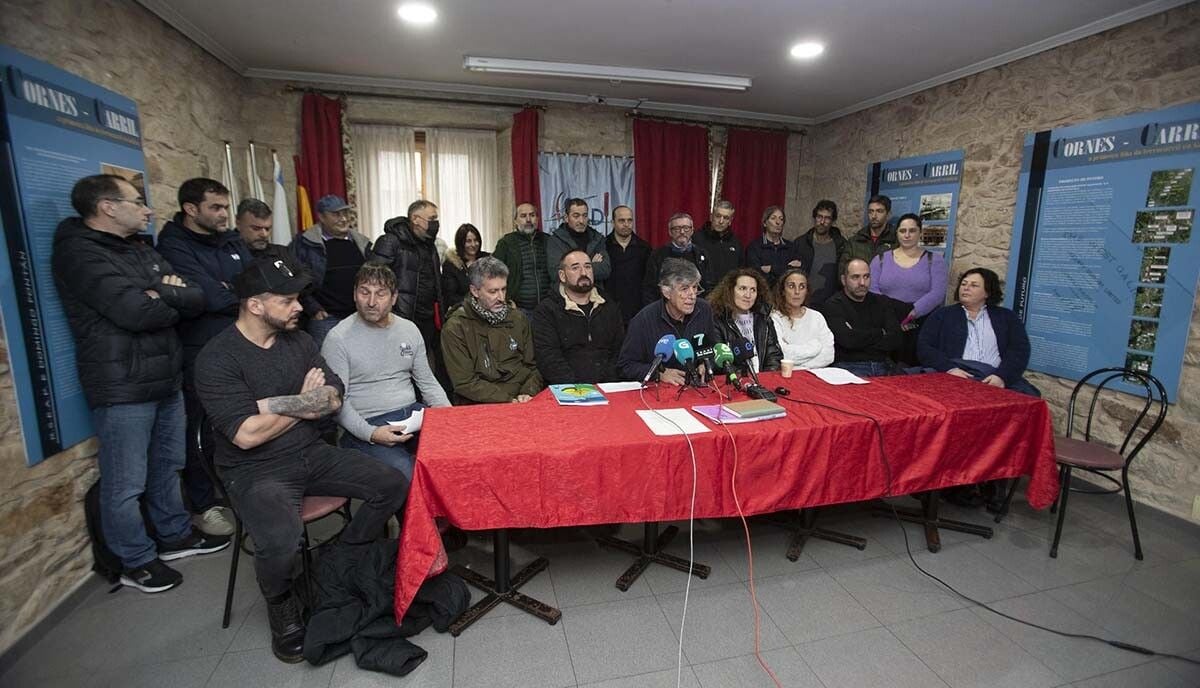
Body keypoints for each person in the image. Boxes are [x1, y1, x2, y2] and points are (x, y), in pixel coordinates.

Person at [194, 256, 407, 663]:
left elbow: (332, 396)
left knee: (392, 484)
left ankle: (340, 556)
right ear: (255, 305)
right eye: (288, 300)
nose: (299, 307)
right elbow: (246, 434)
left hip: (312, 453)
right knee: (281, 541)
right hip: (254, 470)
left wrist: (271, 405)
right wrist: (302, 406)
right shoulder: (217, 359)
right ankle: (281, 604)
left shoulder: (301, 340)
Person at [52, 174, 228, 595]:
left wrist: (158, 295)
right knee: (126, 480)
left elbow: (195, 297)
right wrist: (161, 296)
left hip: (166, 376)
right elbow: (134, 312)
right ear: (107, 207)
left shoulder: (138, 248)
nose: (148, 209)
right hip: (122, 385)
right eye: (137, 201)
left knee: (168, 465)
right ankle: (136, 559)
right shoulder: (79, 253)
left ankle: (174, 536)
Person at [155, 177, 245, 537]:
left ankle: (241, 489)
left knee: (241, 421)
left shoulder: (231, 239)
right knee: (201, 428)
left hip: (240, 343)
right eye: (216, 208)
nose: (225, 214)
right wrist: (230, 292)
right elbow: (206, 297)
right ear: (191, 210)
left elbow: (256, 286)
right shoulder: (172, 245)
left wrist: (228, 291)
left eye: (226, 206)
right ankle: (204, 504)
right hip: (200, 348)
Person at [322, 264, 451, 481]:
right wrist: (371, 434)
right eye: (364, 292)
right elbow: (338, 403)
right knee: (409, 475)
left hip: (413, 416)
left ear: (394, 298)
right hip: (366, 424)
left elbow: (427, 382)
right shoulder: (337, 339)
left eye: (380, 294)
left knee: (451, 456)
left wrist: (449, 417)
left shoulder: (409, 329)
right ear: (354, 294)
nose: (371, 302)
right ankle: (417, 516)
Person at [918, 268, 1039, 397]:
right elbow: (925, 346)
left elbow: (1019, 350)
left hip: (993, 379)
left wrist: (1002, 377)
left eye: (974, 285)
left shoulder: (1007, 317)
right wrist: (950, 369)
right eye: (964, 284)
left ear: (987, 292)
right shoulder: (942, 315)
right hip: (954, 378)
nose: (966, 288)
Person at [441, 256, 544, 404]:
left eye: (503, 289)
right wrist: (508, 400)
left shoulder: (518, 319)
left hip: (522, 399)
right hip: (479, 403)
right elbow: (465, 383)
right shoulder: (456, 327)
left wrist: (527, 392)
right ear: (475, 291)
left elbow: (533, 367)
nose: (501, 297)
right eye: (493, 291)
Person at [531, 250, 625, 384]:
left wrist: (607, 385)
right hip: (567, 390)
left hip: (608, 388)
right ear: (562, 276)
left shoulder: (609, 306)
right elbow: (548, 358)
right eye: (575, 268)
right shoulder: (546, 311)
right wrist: (578, 390)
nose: (584, 273)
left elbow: (619, 351)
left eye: (588, 266)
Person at [290, 195, 371, 348]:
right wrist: (313, 309)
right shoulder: (305, 244)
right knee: (327, 366)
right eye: (336, 214)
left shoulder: (362, 242)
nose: (343, 219)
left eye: (345, 213)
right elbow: (295, 280)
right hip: (326, 319)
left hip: (359, 317)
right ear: (321, 216)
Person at [619, 258, 716, 386]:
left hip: (695, 389)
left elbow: (713, 350)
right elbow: (626, 366)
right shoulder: (643, 320)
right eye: (684, 288)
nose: (692, 295)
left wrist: (707, 364)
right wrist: (659, 374)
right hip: (660, 394)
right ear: (666, 292)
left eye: (695, 287)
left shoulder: (704, 310)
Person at [869, 213, 949, 365]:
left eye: (912, 231)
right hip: (886, 321)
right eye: (902, 231)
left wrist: (915, 311)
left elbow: (938, 292)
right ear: (896, 232)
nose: (907, 235)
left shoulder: (935, 260)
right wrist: (889, 313)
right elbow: (872, 289)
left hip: (920, 323)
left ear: (920, 232)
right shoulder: (880, 259)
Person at [372, 200, 443, 355]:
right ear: (416, 219)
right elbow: (374, 281)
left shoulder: (429, 245)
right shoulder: (390, 241)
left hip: (428, 318)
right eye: (432, 219)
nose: (435, 224)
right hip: (401, 318)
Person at [816, 258, 902, 377]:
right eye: (855, 277)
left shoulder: (882, 302)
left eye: (866, 277)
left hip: (884, 365)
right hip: (849, 366)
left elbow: (896, 338)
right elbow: (847, 340)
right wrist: (881, 333)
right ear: (843, 280)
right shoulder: (834, 305)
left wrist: (859, 337)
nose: (862, 283)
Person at [708, 268, 782, 373]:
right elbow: (720, 363)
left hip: (764, 380)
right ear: (730, 290)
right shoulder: (717, 320)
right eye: (742, 288)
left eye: (753, 290)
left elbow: (774, 355)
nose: (748, 295)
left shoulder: (763, 318)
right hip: (735, 382)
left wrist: (766, 379)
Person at [492, 202, 554, 316]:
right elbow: (493, 274)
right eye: (523, 216)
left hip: (547, 308)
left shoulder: (548, 241)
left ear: (538, 219)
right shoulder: (506, 243)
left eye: (532, 215)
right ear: (515, 221)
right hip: (519, 310)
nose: (528, 219)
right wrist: (506, 299)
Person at [770, 268, 835, 370]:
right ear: (783, 291)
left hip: (818, 375)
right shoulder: (775, 318)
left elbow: (829, 355)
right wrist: (816, 347)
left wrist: (800, 367)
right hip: (788, 376)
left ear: (806, 291)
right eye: (791, 286)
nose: (797, 292)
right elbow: (781, 354)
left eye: (802, 287)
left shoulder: (817, 317)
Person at [642, 212, 711, 304]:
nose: (682, 232)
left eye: (686, 228)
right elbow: (649, 289)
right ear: (670, 232)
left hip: (696, 309)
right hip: (665, 310)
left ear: (692, 230)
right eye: (677, 229)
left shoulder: (701, 254)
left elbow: (709, 285)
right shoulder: (657, 255)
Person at [546, 197, 611, 285]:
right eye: (576, 216)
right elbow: (556, 274)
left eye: (584, 216)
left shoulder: (597, 238)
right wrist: (591, 265)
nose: (581, 221)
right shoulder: (555, 241)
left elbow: (605, 269)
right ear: (566, 218)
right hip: (565, 296)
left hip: (594, 294)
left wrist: (574, 268)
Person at [794, 200, 847, 306]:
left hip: (831, 304)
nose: (822, 222)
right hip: (804, 302)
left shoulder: (841, 244)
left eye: (827, 218)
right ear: (814, 218)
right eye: (819, 217)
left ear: (833, 221)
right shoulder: (801, 243)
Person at [604, 205, 651, 323]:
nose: (626, 224)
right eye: (621, 220)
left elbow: (649, 282)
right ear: (613, 222)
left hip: (638, 311)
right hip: (608, 311)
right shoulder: (603, 246)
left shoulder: (645, 248)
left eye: (629, 220)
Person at [691, 200, 743, 289]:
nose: (721, 221)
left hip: (727, 294)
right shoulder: (696, 239)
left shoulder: (736, 243)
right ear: (711, 217)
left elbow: (740, 272)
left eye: (726, 218)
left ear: (730, 221)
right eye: (718, 216)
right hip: (701, 293)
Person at [746, 205, 802, 286]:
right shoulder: (754, 247)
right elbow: (756, 275)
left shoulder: (791, 247)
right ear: (765, 223)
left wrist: (771, 269)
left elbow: (796, 273)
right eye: (773, 218)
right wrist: (787, 267)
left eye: (781, 219)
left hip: (785, 295)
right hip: (763, 294)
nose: (778, 222)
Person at [441, 223, 488, 316]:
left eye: (476, 240)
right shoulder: (451, 265)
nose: (473, 244)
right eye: (468, 241)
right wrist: (476, 304)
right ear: (460, 243)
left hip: (488, 310)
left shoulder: (487, 259)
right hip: (462, 312)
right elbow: (450, 296)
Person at [845, 194, 897, 266]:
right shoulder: (855, 241)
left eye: (879, 211)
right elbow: (844, 270)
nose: (874, 216)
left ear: (888, 214)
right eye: (871, 211)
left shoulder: (896, 241)